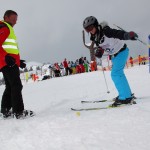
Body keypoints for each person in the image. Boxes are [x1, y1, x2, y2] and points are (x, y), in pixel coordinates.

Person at [83, 16, 138, 107]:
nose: (90, 31)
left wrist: (127, 35)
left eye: (90, 27)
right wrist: (100, 51)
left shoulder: (106, 31)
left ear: (96, 25)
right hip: (114, 56)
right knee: (119, 74)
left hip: (121, 51)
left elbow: (117, 34)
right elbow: (102, 45)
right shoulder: (95, 37)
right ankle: (126, 93)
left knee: (115, 73)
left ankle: (126, 97)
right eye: (87, 29)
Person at [0, 10, 34, 119]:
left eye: (16, 19)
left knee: (10, 86)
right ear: (6, 17)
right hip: (7, 62)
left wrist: (19, 62)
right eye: (14, 19)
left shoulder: (7, 28)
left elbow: (10, 49)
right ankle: (18, 112)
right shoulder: (4, 27)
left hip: (8, 62)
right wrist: (5, 57)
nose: (15, 22)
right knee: (16, 85)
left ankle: (5, 110)